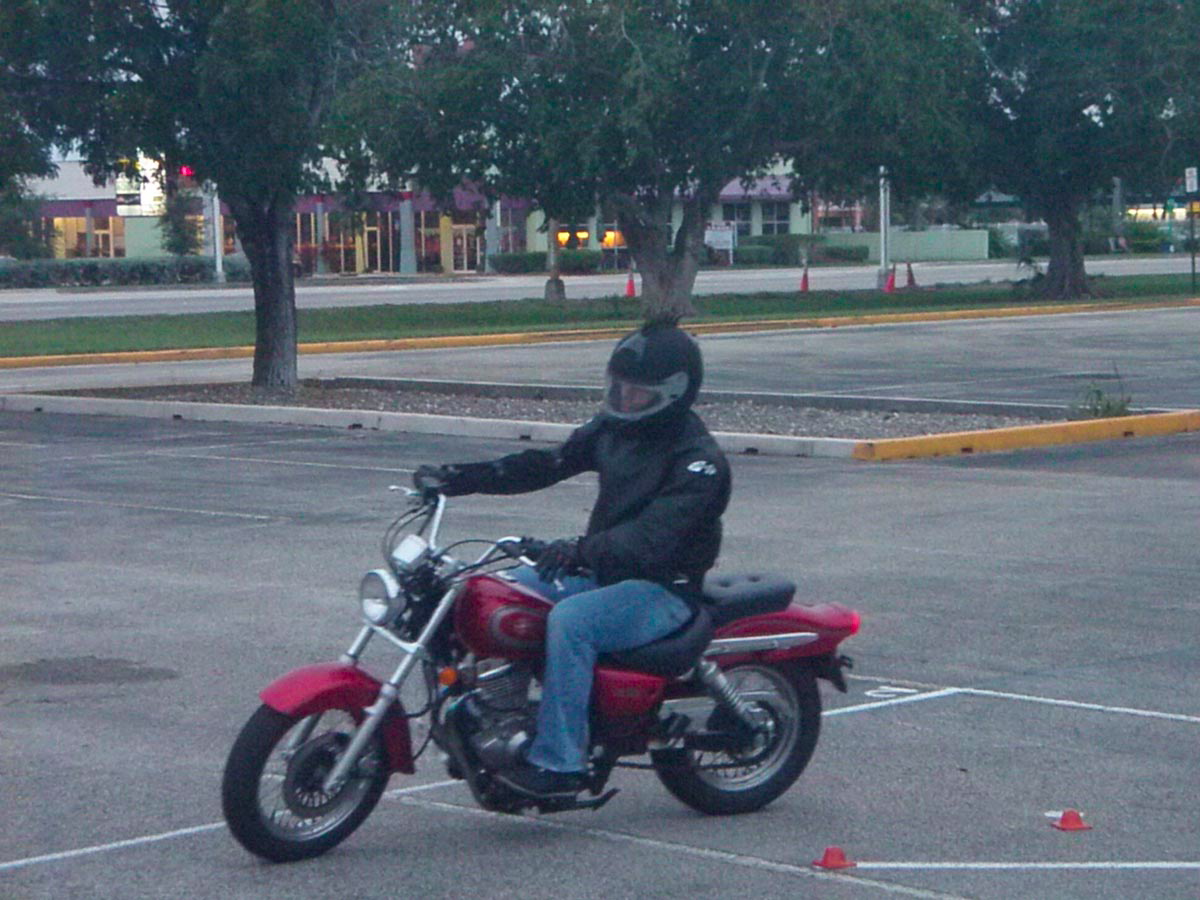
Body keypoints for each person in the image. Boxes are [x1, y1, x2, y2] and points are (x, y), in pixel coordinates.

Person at [414, 321, 730, 799]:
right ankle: (486, 716)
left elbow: (652, 538)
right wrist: (461, 478)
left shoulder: (698, 462)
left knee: (572, 622)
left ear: (673, 393)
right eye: (619, 388)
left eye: (637, 392)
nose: (624, 399)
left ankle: (559, 763)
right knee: (492, 592)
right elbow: (550, 464)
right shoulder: (613, 429)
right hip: (604, 572)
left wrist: (577, 550)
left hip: (664, 589)